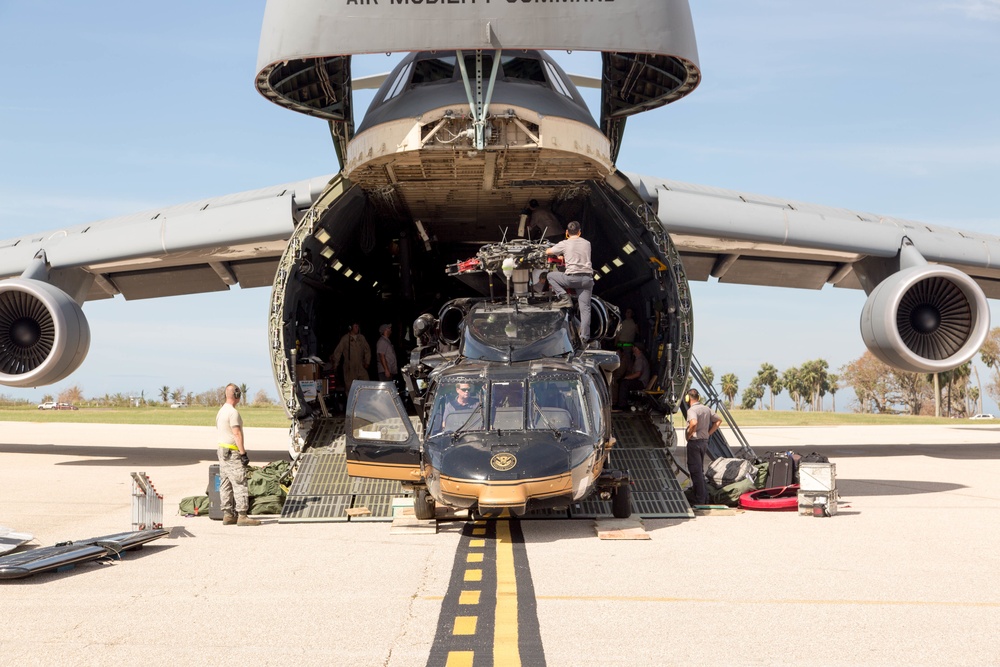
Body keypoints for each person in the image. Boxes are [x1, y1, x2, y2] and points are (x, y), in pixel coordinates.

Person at [215, 383, 260, 526]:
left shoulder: (221, 411)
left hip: (222, 450)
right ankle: (242, 515)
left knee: (225, 483)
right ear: (237, 395)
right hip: (232, 451)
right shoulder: (233, 413)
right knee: (240, 482)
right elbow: (236, 433)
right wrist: (243, 453)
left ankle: (228, 514)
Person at [545, 221, 594, 343]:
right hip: (587, 280)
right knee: (585, 309)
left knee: (550, 276)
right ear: (580, 232)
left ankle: (564, 298)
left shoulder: (565, 243)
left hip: (572, 278)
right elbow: (578, 254)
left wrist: (560, 255)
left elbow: (548, 252)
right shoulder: (587, 243)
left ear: (567, 232)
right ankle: (584, 337)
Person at [685, 388, 722, 507]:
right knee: (699, 470)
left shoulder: (692, 410)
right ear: (698, 398)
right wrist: (709, 433)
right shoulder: (707, 409)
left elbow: (694, 423)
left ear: (688, 398)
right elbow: (718, 420)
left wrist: (690, 434)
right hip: (704, 442)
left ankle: (700, 500)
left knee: (695, 471)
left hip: (695, 443)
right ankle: (704, 497)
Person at [331, 322, 371, 392]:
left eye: (358, 326)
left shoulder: (361, 338)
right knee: (350, 387)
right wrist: (335, 365)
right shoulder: (345, 338)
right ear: (350, 328)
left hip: (361, 365)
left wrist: (367, 362)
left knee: (366, 383)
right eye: (355, 326)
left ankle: (365, 400)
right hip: (349, 367)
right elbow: (338, 352)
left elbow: (367, 350)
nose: (357, 328)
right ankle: (350, 402)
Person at [615, 342, 650, 409]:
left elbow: (638, 374)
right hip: (640, 381)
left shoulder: (640, 359)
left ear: (637, 349)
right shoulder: (638, 358)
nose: (632, 348)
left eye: (634, 347)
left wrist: (626, 378)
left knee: (624, 383)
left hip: (642, 383)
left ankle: (622, 405)